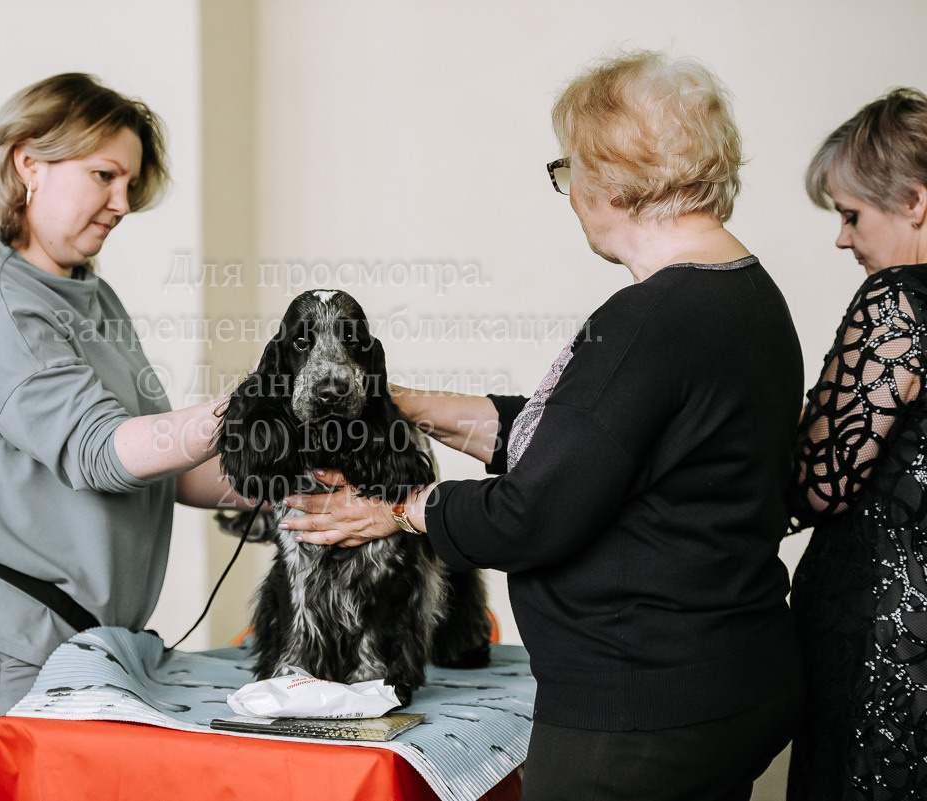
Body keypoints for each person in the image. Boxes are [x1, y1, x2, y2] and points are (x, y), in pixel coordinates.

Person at [282, 51, 805, 800]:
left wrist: (394, 510)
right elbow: (584, 444)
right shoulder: (746, 294)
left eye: (568, 170)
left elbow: (534, 510)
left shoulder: (648, 320)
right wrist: (404, 401)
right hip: (728, 679)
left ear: (609, 176)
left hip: (638, 714)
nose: (570, 195)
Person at [0, 73, 248, 800]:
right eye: (104, 176)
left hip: (81, 641)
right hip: (0, 641)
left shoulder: (84, 287)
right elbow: (102, 453)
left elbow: (161, 459)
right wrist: (249, 407)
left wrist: (282, 486)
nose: (122, 204)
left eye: (129, 183)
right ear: (28, 162)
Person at [785, 88, 927, 801]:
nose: (843, 238)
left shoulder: (897, 297)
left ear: (916, 203)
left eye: (851, 214)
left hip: (885, 638)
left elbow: (819, 480)